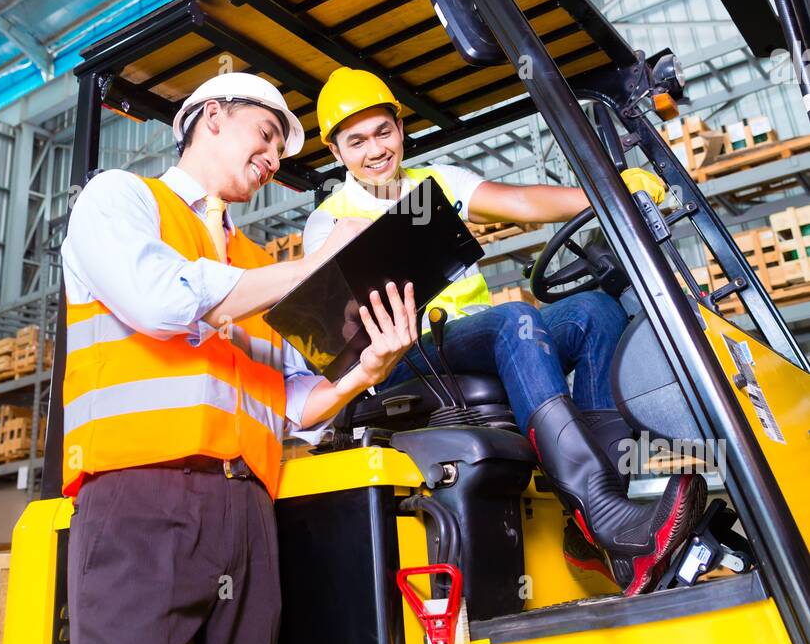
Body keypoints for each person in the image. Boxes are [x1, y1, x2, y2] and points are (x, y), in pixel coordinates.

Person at [59, 72, 417, 644]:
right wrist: (322, 267)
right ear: (212, 118)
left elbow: (292, 401)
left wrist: (366, 369)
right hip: (142, 511)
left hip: (247, 518)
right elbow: (160, 299)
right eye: (267, 135)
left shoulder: (256, 259)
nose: (274, 158)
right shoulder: (121, 201)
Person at [302, 69, 706, 597]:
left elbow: (523, 202)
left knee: (595, 311)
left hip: (470, 339)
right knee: (515, 320)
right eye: (356, 141)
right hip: (404, 353)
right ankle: (597, 506)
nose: (375, 150)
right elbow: (332, 320)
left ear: (400, 129)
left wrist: (609, 194)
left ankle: (597, 534)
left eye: (383, 132)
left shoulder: (435, 184)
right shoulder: (331, 219)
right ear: (336, 152)